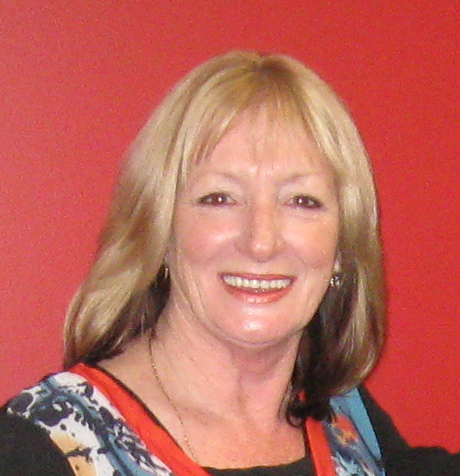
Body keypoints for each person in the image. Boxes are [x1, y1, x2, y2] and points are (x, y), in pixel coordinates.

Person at [0, 51, 458, 476]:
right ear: (159, 229)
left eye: (302, 201)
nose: (261, 241)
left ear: (341, 247)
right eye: (219, 198)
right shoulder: (43, 447)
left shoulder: (348, 423)